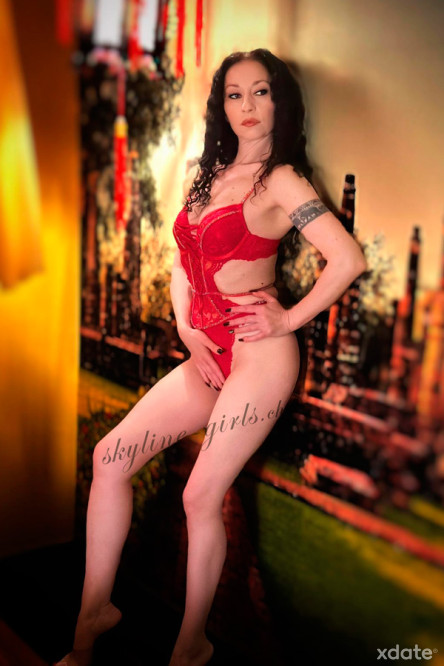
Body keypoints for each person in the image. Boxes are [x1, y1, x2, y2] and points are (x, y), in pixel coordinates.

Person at [55, 48, 367, 666]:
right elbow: (181, 261)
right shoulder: (209, 173)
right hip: (207, 349)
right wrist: (184, 325)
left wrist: (287, 318)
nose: (247, 106)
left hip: (260, 355)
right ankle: (92, 616)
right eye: (234, 94)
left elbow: (348, 259)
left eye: (260, 92)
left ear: (280, 101)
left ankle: (191, 644)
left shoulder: (280, 179)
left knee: (200, 495)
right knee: (109, 459)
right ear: (221, 105)